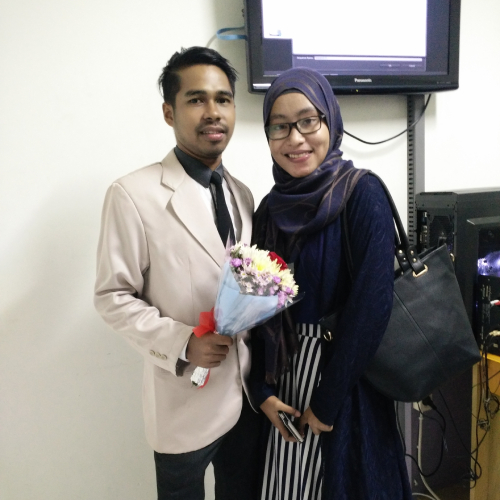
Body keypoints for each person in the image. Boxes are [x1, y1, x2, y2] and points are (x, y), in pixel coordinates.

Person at [94, 46, 260, 500]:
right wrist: (184, 342)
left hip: (245, 398)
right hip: (184, 401)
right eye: (196, 99)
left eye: (223, 99)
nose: (213, 112)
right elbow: (112, 296)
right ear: (169, 112)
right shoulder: (133, 194)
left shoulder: (243, 194)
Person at [250, 68, 412, 500]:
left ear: (331, 122)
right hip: (284, 384)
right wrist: (261, 391)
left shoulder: (362, 194)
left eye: (308, 121)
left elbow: (372, 306)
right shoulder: (268, 210)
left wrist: (327, 401)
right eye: (279, 126)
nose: (295, 138)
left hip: (347, 382)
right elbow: (256, 308)